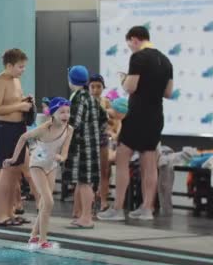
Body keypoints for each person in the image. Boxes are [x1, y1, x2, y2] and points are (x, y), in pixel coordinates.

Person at [99, 26, 174, 221]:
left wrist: (124, 80)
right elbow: (168, 93)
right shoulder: (166, 60)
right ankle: (147, 208)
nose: (131, 49)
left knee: (123, 158)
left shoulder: (138, 58)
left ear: (134, 39)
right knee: (149, 163)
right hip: (156, 116)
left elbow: (131, 87)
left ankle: (117, 209)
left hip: (137, 115)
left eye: (130, 45)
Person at [4, 97, 73, 248]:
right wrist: (14, 158)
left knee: (44, 203)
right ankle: (43, 240)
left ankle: (33, 236)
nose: (66, 115)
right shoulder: (43, 128)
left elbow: (65, 153)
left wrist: (61, 157)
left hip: (52, 166)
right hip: (37, 165)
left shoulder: (69, 130)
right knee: (49, 201)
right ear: (53, 113)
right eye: (62, 112)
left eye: (68, 112)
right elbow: (23, 138)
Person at [0, 48, 33, 226]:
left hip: (18, 129)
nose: (23, 70)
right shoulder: (0, 81)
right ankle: (0, 215)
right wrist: (20, 107)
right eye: (20, 67)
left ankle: (10, 213)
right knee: (6, 173)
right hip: (4, 130)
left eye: (24, 67)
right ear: (9, 65)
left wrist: (25, 100)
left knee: (15, 174)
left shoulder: (15, 80)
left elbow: (15, 101)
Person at [63, 65, 106, 228]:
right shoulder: (91, 98)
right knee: (83, 182)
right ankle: (83, 216)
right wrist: (95, 133)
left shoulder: (79, 98)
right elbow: (104, 117)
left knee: (85, 182)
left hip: (82, 148)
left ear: (71, 80)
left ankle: (86, 218)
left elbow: (74, 123)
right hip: (91, 145)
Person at [88, 74, 111, 212]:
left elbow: (114, 120)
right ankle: (89, 198)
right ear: (88, 87)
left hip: (102, 139)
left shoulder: (106, 102)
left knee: (105, 171)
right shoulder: (85, 102)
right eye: (93, 87)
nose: (96, 90)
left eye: (99, 86)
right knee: (89, 172)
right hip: (89, 140)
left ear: (103, 87)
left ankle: (103, 200)